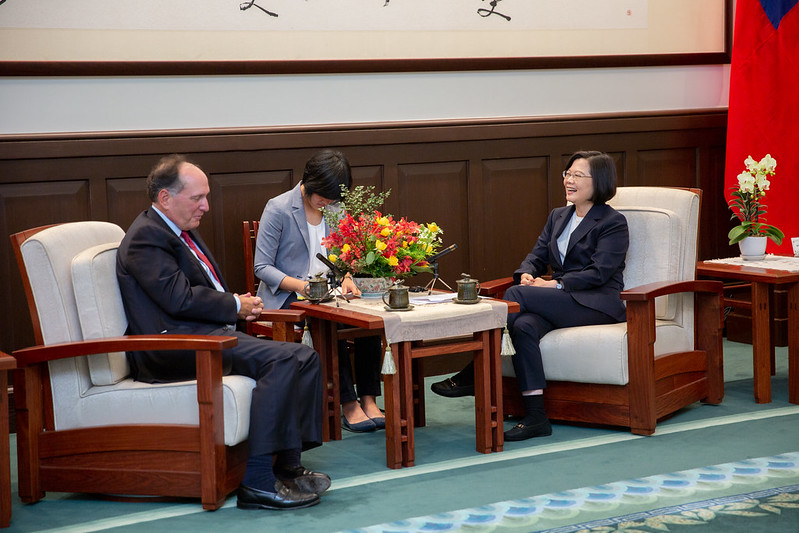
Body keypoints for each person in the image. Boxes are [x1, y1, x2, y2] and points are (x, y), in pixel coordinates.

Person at [117, 154, 329, 510]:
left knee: (304, 357)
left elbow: (199, 290)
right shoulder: (146, 237)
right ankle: (258, 482)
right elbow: (178, 298)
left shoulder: (178, 229)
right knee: (282, 360)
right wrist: (233, 305)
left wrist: (239, 306)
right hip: (175, 345)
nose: (206, 206)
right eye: (197, 198)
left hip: (206, 334)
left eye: (206, 196)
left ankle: (287, 465)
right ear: (166, 198)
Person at [431, 150, 629, 442]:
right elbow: (537, 255)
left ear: (599, 181)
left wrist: (555, 285)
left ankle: (473, 372)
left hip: (596, 303)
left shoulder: (613, 221)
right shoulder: (558, 216)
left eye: (578, 175)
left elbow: (599, 273)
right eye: (567, 174)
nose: (569, 181)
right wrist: (526, 273)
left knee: (515, 295)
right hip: (562, 302)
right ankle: (536, 417)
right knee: (523, 325)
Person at [254, 149, 385, 433]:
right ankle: (348, 403)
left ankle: (369, 399)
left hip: (330, 293)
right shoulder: (278, 208)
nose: (327, 203)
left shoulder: (336, 209)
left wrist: (347, 276)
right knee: (329, 321)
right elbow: (262, 267)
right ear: (308, 182)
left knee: (368, 321)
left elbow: (345, 256)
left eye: (333, 198)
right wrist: (303, 287)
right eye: (322, 197)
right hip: (290, 296)